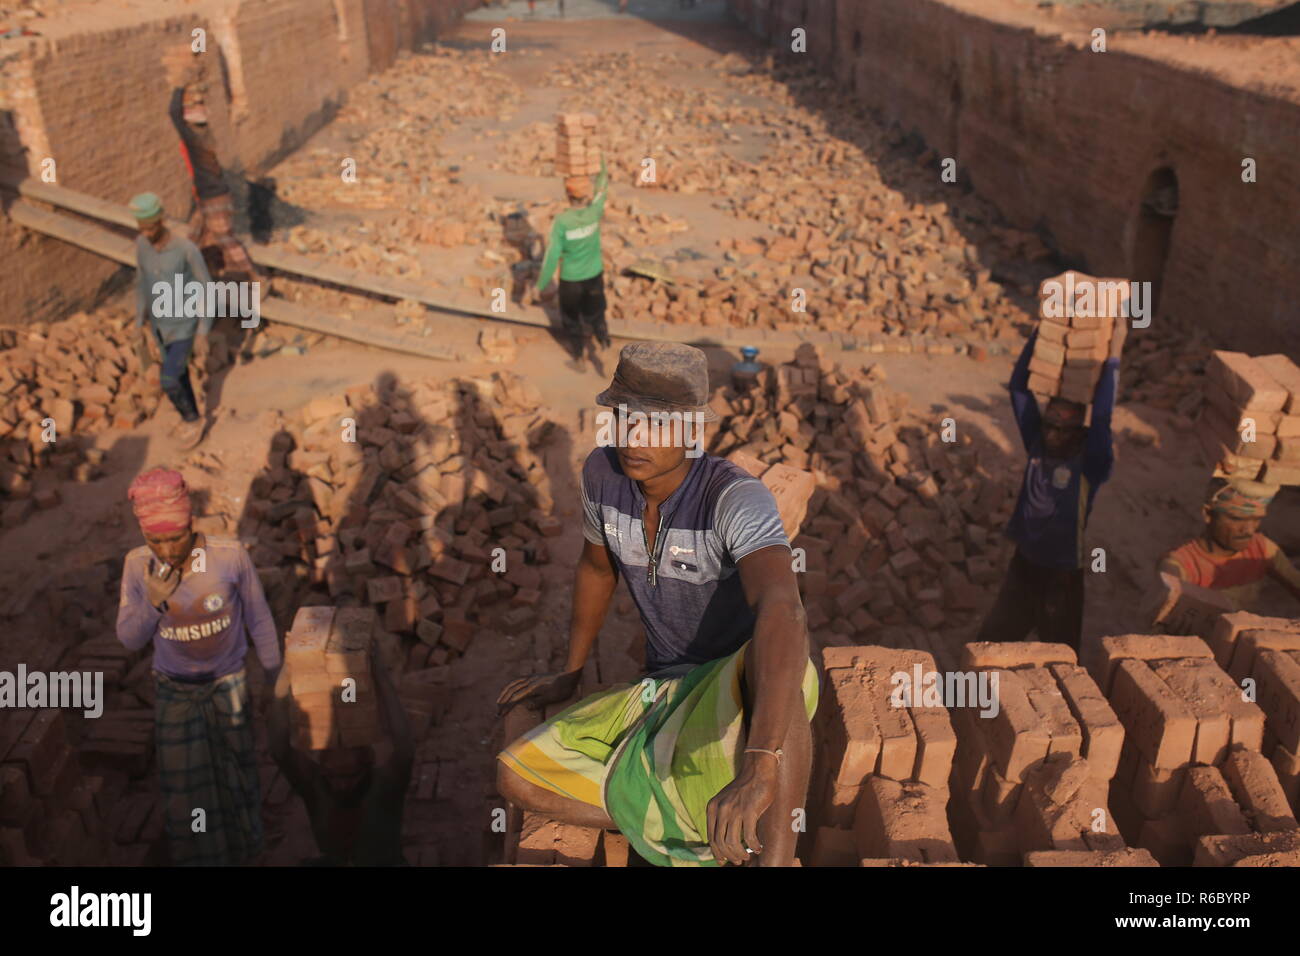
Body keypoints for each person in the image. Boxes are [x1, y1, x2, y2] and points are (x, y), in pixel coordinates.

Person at [496, 342, 818, 867]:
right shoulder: (602, 476)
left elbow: (784, 609)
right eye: (625, 418)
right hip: (666, 685)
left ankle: (774, 855)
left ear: (693, 432)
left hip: (733, 687)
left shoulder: (733, 498)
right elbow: (597, 569)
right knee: (515, 776)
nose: (635, 438)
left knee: (785, 671)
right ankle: (679, 817)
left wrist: (759, 762)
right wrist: (570, 672)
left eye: (658, 424)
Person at [114, 467, 282, 865]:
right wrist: (154, 603)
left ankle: (245, 851)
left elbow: (259, 619)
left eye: (176, 538)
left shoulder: (229, 557)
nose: (169, 551)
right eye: (156, 541)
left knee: (236, 776)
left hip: (228, 685)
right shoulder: (137, 566)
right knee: (187, 790)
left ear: (191, 523)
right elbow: (128, 639)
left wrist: (275, 679)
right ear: (143, 535)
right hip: (175, 692)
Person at [974, 318, 1127, 651]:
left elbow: (1101, 418)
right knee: (991, 644)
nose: (1053, 434)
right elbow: (1018, 388)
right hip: (1024, 565)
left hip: (1062, 575)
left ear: (1080, 434)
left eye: (1063, 429)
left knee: (1061, 655)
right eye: (1049, 425)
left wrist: (1113, 354)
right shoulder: (1037, 446)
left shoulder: (1091, 464)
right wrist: (1039, 334)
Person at [266, 639, 413, 865]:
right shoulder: (315, 789)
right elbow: (279, 748)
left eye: (350, 775)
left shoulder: (385, 788)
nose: (342, 784)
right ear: (322, 768)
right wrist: (287, 675)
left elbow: (404, 748)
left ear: (368, 762)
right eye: (333, 776)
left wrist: (380, 677)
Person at [165, 47, 258, 283]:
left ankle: (252, 277)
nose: (193, 109)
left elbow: (174, 114)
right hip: (206, 199)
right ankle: (196, 277)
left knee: (226, 239)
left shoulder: (197, 140)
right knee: (195, 237)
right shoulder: (203, 134)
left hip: (214, 200)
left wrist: (179, 86)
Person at [131, 191, 211, 450]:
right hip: (159, 327)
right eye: (141, 228)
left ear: (162, 220)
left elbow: (206, 287)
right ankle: (191, 416)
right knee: (179, 373)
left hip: (184, 324)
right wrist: (139, 321)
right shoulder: (142, 246)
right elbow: (142, 282)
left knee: (169, 379)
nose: (146, 233)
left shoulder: (185, 250)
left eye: (150, 227)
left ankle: (193, 420)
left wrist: (203, 330)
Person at [1159, 479, 1300, 610]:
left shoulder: (1261, 548)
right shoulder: (1180, 563)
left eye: (1256, 520)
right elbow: (1171, 608)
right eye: (1237, 519)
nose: (1248, 530)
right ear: (1208, 514)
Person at [538, 154, 611, 365]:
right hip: (594, 275)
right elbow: (603, 186)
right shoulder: (594, 212)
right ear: (586, 195)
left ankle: (578, 355)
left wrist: (542, 283)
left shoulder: (562, 221)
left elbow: (552, 254)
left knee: (571, 319)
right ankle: (604, 341)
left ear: (568, 196)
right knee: (597, 311)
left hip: (571, 280)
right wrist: (600, 160)